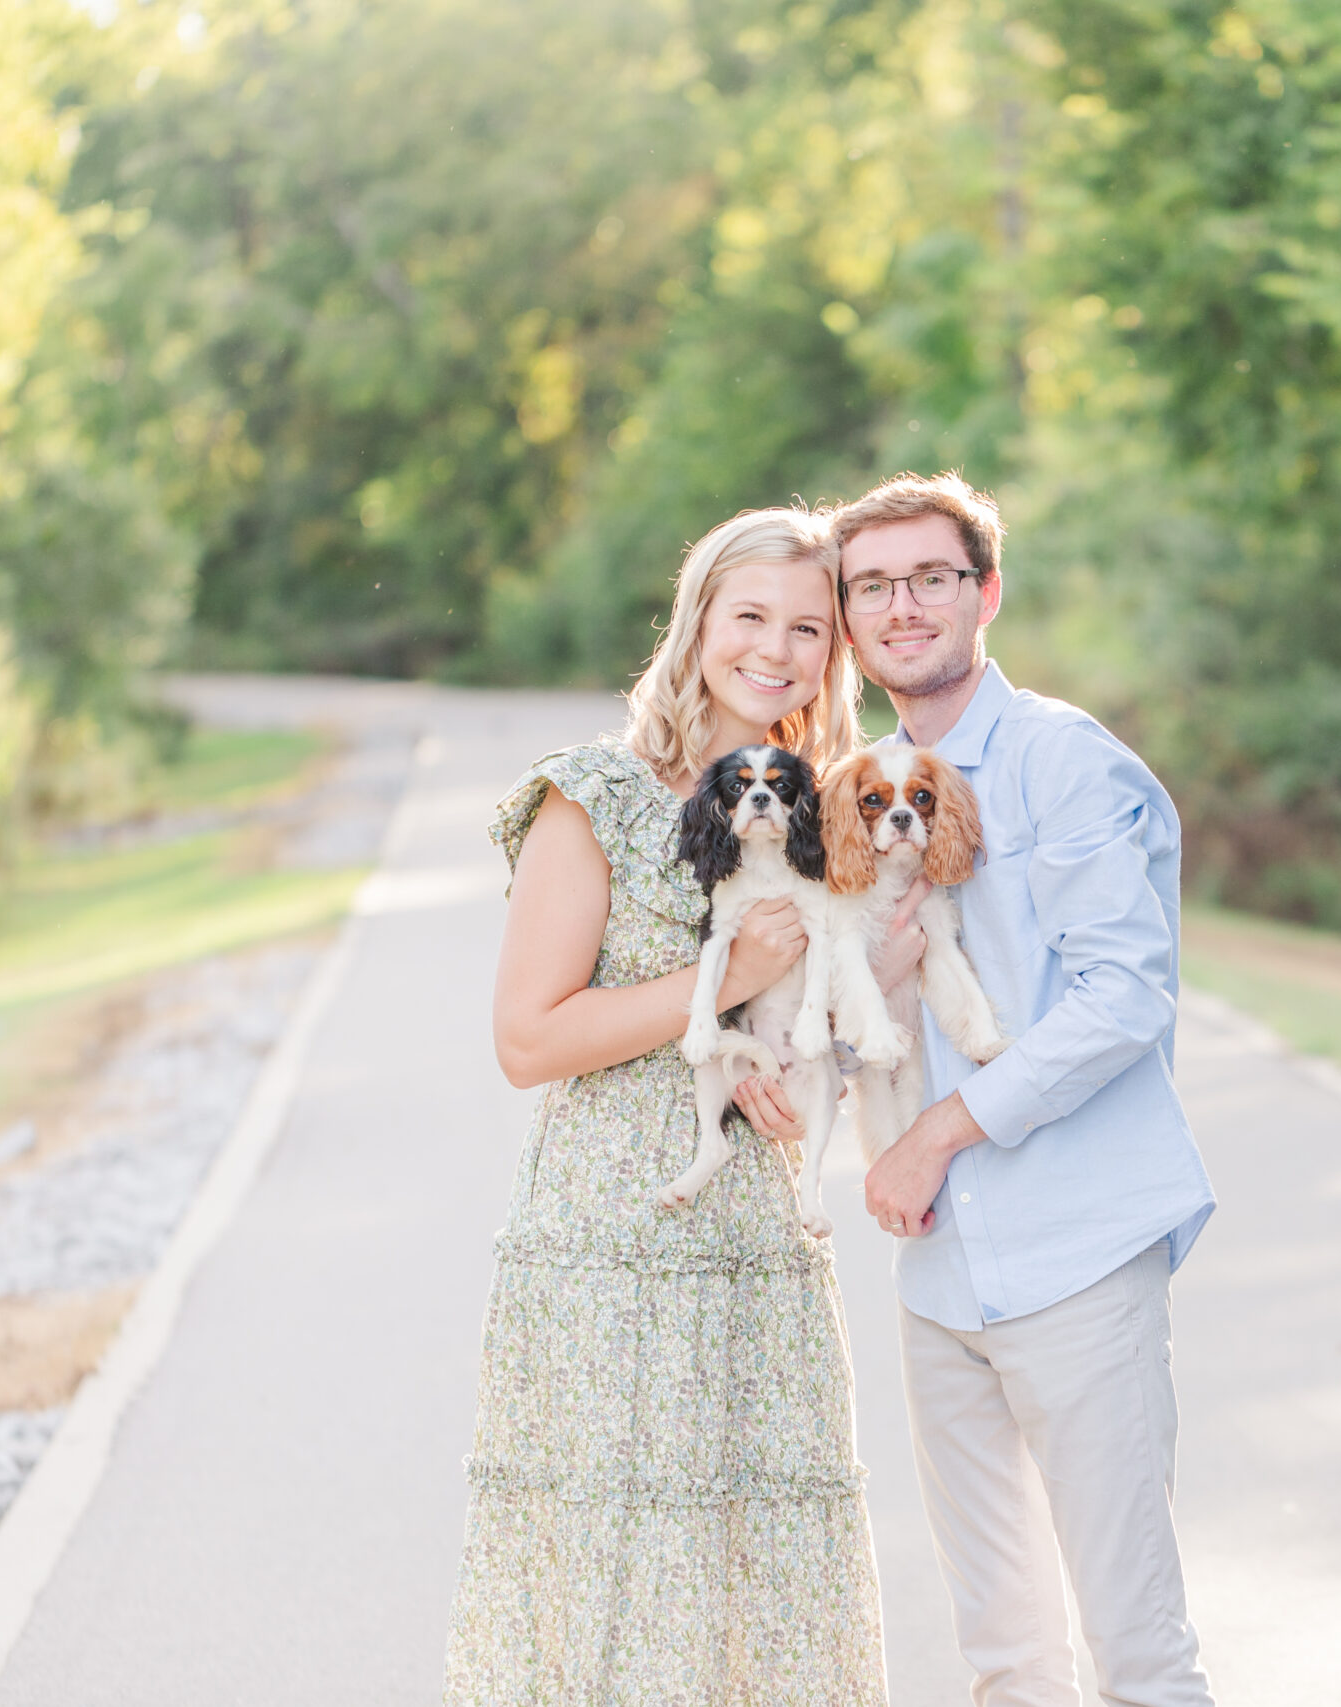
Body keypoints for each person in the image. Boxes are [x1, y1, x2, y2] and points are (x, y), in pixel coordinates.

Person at [444, 508, 888, 1706]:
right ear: (698, 624)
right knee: (620, 1572)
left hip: (753, 1242)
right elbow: (528, 1039)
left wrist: (787, 1065)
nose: (777, 650)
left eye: (808, 627)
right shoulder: (591, 797)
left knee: (760, 1572)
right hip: (611, 1241)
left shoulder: (818, 807)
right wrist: (725, 987)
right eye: (751, 616)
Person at [831, 473, 1219, 1707]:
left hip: (1073, 1254)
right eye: (872, 587)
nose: (903, 607)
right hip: (940, 1279)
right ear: (848, 617)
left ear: (984, 592)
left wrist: (941, 1133)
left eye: (930, 578)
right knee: (1005, 1660)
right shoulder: (860, 785)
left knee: (1136, 1652)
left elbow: (1124, 998)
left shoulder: (1061, 761)